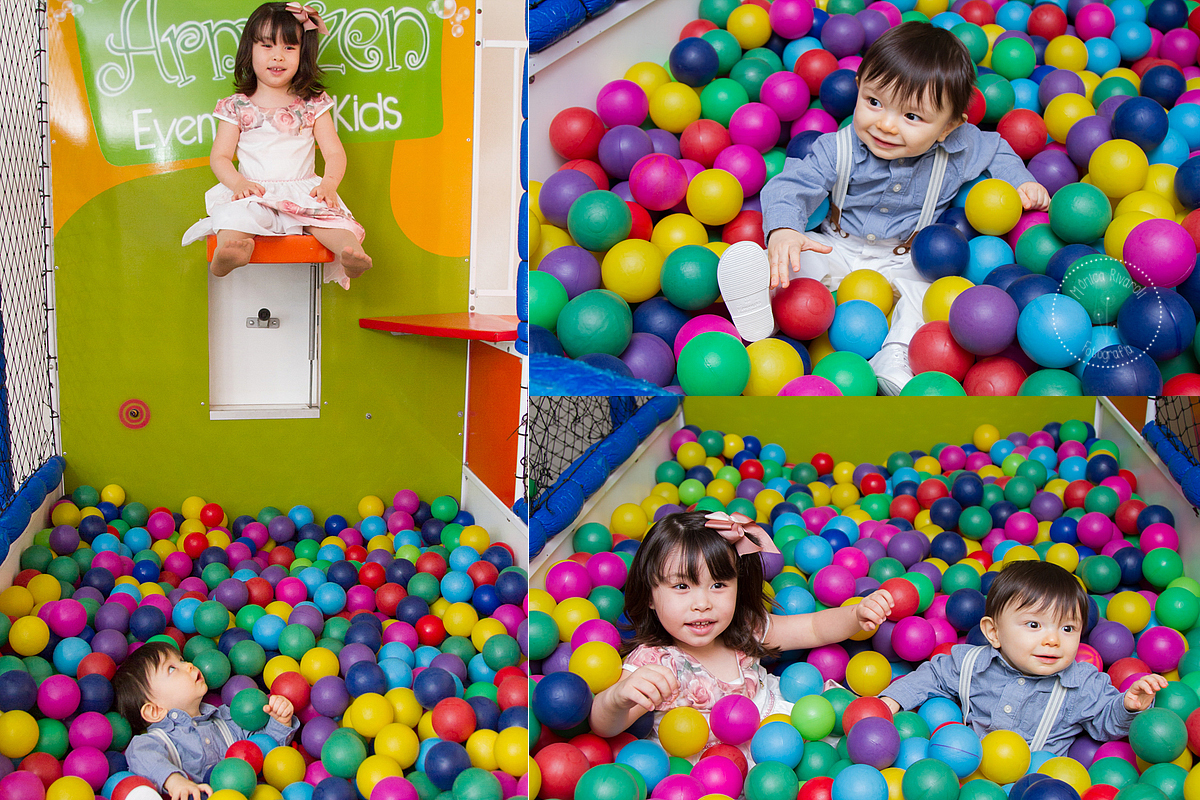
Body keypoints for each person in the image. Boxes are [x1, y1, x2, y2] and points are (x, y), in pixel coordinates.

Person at [717, 21, 1050, 394]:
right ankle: (767, 308)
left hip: (908, 258)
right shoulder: (837, 148)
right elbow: (791, 184)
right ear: (859, 86)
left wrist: (1021, 182)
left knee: (933, 294)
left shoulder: (958, 149)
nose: (886, 125)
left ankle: (896, 356)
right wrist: (784, 230)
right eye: (874, 102)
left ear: (948, 128)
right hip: (837, 245)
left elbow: (997, 147)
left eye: (912, 117)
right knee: (796, 260)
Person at [588, 509, 894, 760]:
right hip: (715, 767)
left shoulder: (745, 628)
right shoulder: (654, 661)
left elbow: (812, 628)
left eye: (718, 585)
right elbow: (605, 726)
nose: (702, 603)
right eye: (682, 586)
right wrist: (616, 698)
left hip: (785, 733)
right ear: (650, 596)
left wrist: (854, 615)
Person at [878, 560, 1167, 756]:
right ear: (994, 633)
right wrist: (892, 701)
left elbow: (1106, 722)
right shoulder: (970, 663)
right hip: (964, 771)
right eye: (1034, 624)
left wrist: (1129, 706)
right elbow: (933, 676)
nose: (1053, 640)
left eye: (1067, 628)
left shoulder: (1081, 684)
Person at [182, 2, 371, 289]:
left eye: (289, 48)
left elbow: (334, 152)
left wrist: (329, 185)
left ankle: (351, 255)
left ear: (302, 54)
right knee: (234, 217)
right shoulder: (236, 106)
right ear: (249, 51)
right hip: (255, 192)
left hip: (303, 190)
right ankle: (227, 255)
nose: (278, 56)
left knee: (333, 222)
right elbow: (220, 157)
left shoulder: (312, 103)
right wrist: (237, 184)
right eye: (267, 46)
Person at [114, 642, 299, 800]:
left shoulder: (226, 719)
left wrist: (280, 722)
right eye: (172, 669)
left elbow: (265, 749)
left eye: (181, 660)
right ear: (154, 710)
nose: (189, 665)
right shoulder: (155, 741)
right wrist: (175, 781)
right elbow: (140, 756)